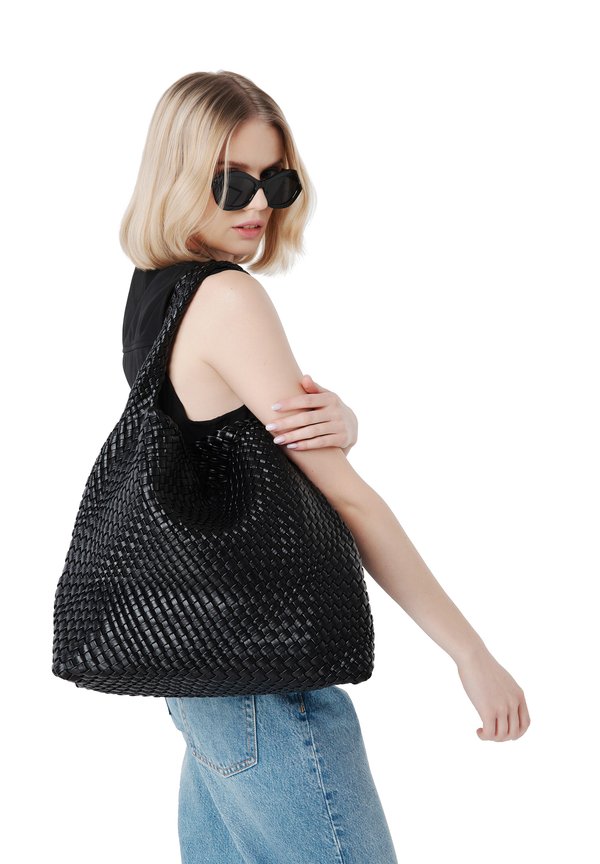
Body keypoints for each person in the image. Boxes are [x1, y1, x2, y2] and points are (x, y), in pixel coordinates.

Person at [119, 70, 531, 864]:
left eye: (276, 181)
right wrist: (470, 653)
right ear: (178, 176)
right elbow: (348, 500)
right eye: (232, 181)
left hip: (202, 681)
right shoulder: (228, 298)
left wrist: (342, 423)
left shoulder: (153, 294)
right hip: (265, 677)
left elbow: (231, 439)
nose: (259, 204)